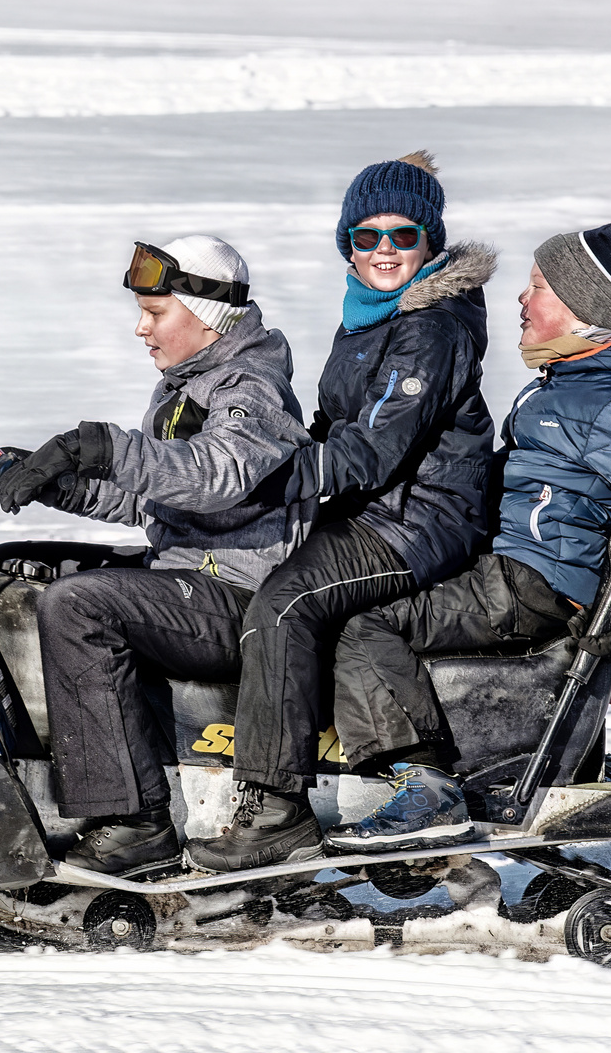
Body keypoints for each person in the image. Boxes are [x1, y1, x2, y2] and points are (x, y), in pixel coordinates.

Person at [320, 221, 611, 852]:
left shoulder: (604, 403)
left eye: (537, 286)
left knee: (366, 626)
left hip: (531, 583)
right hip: (521, 567)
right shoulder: (569, 385)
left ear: (577, 309)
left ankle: (424, 787)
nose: (521, 298)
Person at [185, 152, 497, 873]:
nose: (384, 251)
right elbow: (337, 425)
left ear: (430, 242)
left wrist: (268, 479)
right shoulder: (372, 314)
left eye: (403, 236)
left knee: (286, 600)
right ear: (346, 244)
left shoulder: (432, 326)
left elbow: (377, 444)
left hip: (419, 518)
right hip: (377, 509)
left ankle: (272, 809)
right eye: (367, 236)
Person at [0, 235, 310, 875]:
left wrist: (102, 447)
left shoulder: (251, 389)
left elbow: (218, 473)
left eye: (156, 313)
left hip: (240, 599)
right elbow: (153, 501)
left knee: (79, 606)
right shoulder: (188, 384)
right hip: (187, 575)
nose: (141, 329)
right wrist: (53, 480)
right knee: (9, 566)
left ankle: (135, 820)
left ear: (206, 314)